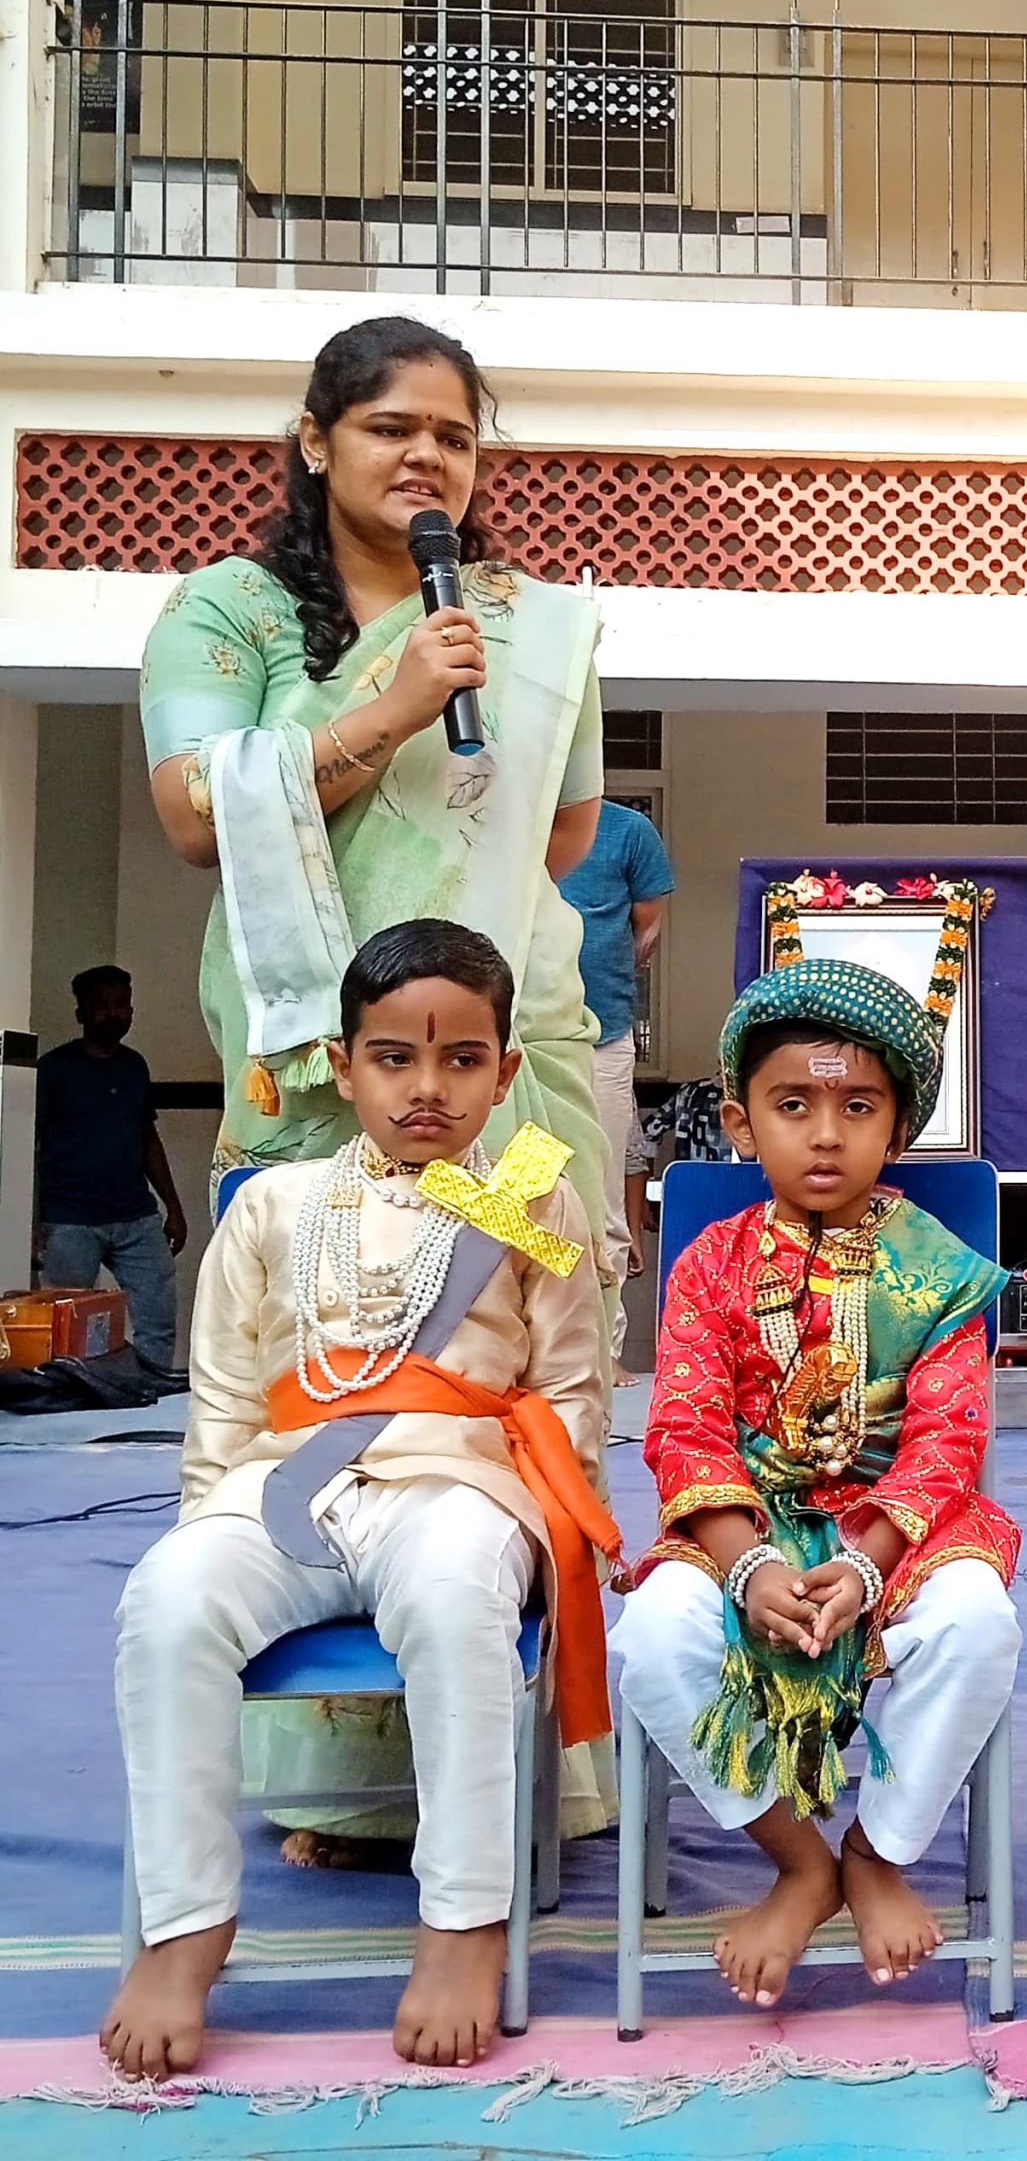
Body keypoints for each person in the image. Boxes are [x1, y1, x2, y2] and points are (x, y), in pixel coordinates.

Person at [136, 315, 620, 1847]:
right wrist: (393, 711)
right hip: (316, 1075)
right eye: (392, 429)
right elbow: (198, 814)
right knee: (326, 1404)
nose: (428, 460)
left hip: (504, 1067)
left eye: (457, 438)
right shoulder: (225, 615)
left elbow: (557, 835)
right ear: (314, 439)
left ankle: (542, 1752)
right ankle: (348, 1787)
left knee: (513, 1403)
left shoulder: (529, 625)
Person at [101, 922, 616, 2080]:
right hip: (283, 1489)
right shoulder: (275, 1203)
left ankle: (463, 1923)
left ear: (505, 1067)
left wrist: (552, 1539)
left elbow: (575, 1392)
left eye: (461, 1060)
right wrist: (212, 1529)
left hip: (463, 1486)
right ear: (342, 1065)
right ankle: (186, 1930)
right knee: (170, 1601)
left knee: (448, 1592)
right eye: (393, 1058)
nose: (426, 1090)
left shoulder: (539, 1198)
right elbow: (224, 1404)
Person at [609, 961, 1022, 2009]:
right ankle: (799, 1861)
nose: (826, 1133)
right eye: (794, 1105)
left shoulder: (940, 1268)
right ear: (743, 1127)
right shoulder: (707, 1263)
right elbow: (685, 1425)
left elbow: (948, 1436)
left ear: (898, 1129)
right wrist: (746, 1565)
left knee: (977, 1625)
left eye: (858, 1106)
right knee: (653, 1637)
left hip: (901, 1535)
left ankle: (877, 1855)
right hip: (738, 1530)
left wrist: (863, 1565)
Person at [559, 797, 676, 1381]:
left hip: (603, 1035)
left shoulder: (629, 830)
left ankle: (605, 1347)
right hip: (514, 1040)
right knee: (514, 1186)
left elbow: (647, 930)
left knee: (603, 1191)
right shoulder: (506, 812)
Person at [34, 965, 188, 1371]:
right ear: (80, 1013)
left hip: (136, 1217)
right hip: (68, 1221)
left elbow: (147, 1138)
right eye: (101, 1005)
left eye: (121, 1004)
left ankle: (149, 1391)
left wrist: (173, 1206)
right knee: (63, 1327)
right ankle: (67, 1399)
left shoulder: (134, 1065)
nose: (113, 1013)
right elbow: (30, 1147)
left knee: (157, 1321)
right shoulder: (52, 1070)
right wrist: (30, 1221)